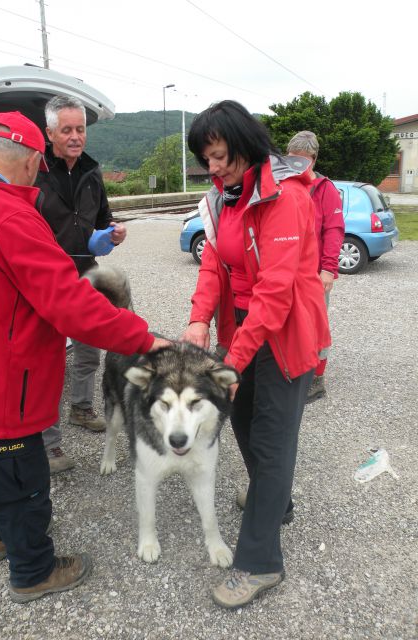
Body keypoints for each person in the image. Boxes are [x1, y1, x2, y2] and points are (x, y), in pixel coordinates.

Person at [0, 111, 168, 603]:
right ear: (34, 163)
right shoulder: (13, 216)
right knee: (20, 476)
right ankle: (33, 570)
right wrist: (144, 339)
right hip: (3, 382)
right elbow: (72, 304)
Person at [181, 101, 330, 609]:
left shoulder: (284, 198)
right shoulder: (225, 196)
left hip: (284, 335)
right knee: (241, 419)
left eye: (221, 155)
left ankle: (261, 562)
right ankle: (277, 501)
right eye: (207, 158)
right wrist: (200, 317)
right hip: (242, 328)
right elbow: (213, 265)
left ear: (245, 145)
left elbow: (275, 293)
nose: (214, 168)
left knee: (272, 440)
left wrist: (233, 361)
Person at [36, 95, 125, 474]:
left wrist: (112, 233)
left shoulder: (92, 171)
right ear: (50, 132)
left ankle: (82, 409)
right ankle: (48, 443)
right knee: (49, 358)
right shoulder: (35, 170)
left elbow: (102, 217)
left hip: (88, 271)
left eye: (81, 129)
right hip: (47, 277)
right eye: (67, 130)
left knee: (89, 350)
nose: (76, 137)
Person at [286, 131, 345, 403]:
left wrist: (328, 269)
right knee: (289, 322)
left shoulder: (325, 189)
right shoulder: (281, 184)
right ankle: (293, 369)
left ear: (313, 159)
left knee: (317, 326)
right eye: (292, 159)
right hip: (287, 272)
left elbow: (334, 230)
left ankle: (317, 380)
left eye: (303, 161)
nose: (297, 166)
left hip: (314, 274)